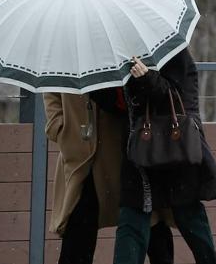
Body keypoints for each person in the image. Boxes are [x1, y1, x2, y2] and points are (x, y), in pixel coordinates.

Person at [113, 48, 216, 264]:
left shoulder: (176, 54)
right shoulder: (127, 55)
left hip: (176, 150)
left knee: (191, 219)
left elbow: (179, 100)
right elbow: (120, 104)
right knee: (131, 220)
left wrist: (147, 78)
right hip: (141, 153)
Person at [43, 91, 174, 264]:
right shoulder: (61, 62)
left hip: (122, 151)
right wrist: (60, 129)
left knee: (149, 223)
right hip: (81, 157)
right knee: (78, 231)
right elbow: (51, 92)